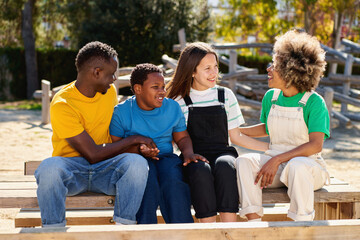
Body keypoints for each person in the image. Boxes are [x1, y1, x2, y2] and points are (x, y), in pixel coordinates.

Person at [35, 41, 152, 227]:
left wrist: (138, 148)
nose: (114, 78)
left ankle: (124, 228)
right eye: (111, 73)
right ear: (96, 72)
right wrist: (134, 139)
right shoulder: (62, 103)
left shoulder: (108, 92)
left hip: (106, 168)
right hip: (73, 170)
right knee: (48, 168)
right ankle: (53, 231)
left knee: (137, 164)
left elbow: (113, 137)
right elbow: (92, 154)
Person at [166, 42, 268, 223]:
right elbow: (174, 140)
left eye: (215, 67)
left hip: (223, 152)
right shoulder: (179, 101)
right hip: (194, 156)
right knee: (200, 170)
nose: (214, 73)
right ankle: (209, 231)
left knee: (225, 166)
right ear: (192, 71)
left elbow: (236, 137)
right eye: (207, 68)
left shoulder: (225, 95)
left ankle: (230, 230)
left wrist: (272, 148)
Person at [236, 29, 330, 222]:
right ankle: (254, 225)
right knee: (244, 162)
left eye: (275, 65)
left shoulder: (314, 102)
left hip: (308, 168)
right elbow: (267, 128)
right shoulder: (271, 97)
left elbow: (315, 145)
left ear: (292, 70)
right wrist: (236, 131)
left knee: (296, 166)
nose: (268, 69)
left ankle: (302, 225)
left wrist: (277, 159)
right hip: (277, 167)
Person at [110, 63, 206, 224]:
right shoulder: (121, 112)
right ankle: (146, 231)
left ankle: (182, 231)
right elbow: (116, 147)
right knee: (147, 183)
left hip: (166, 157)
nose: (162, 91)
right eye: (155, 87)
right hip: (136, 161)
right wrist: (139, 150)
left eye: (163, 86)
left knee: (174, 181)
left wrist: (188, 153)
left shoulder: (172, 108)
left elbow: (182, 137)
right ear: (138, 89)